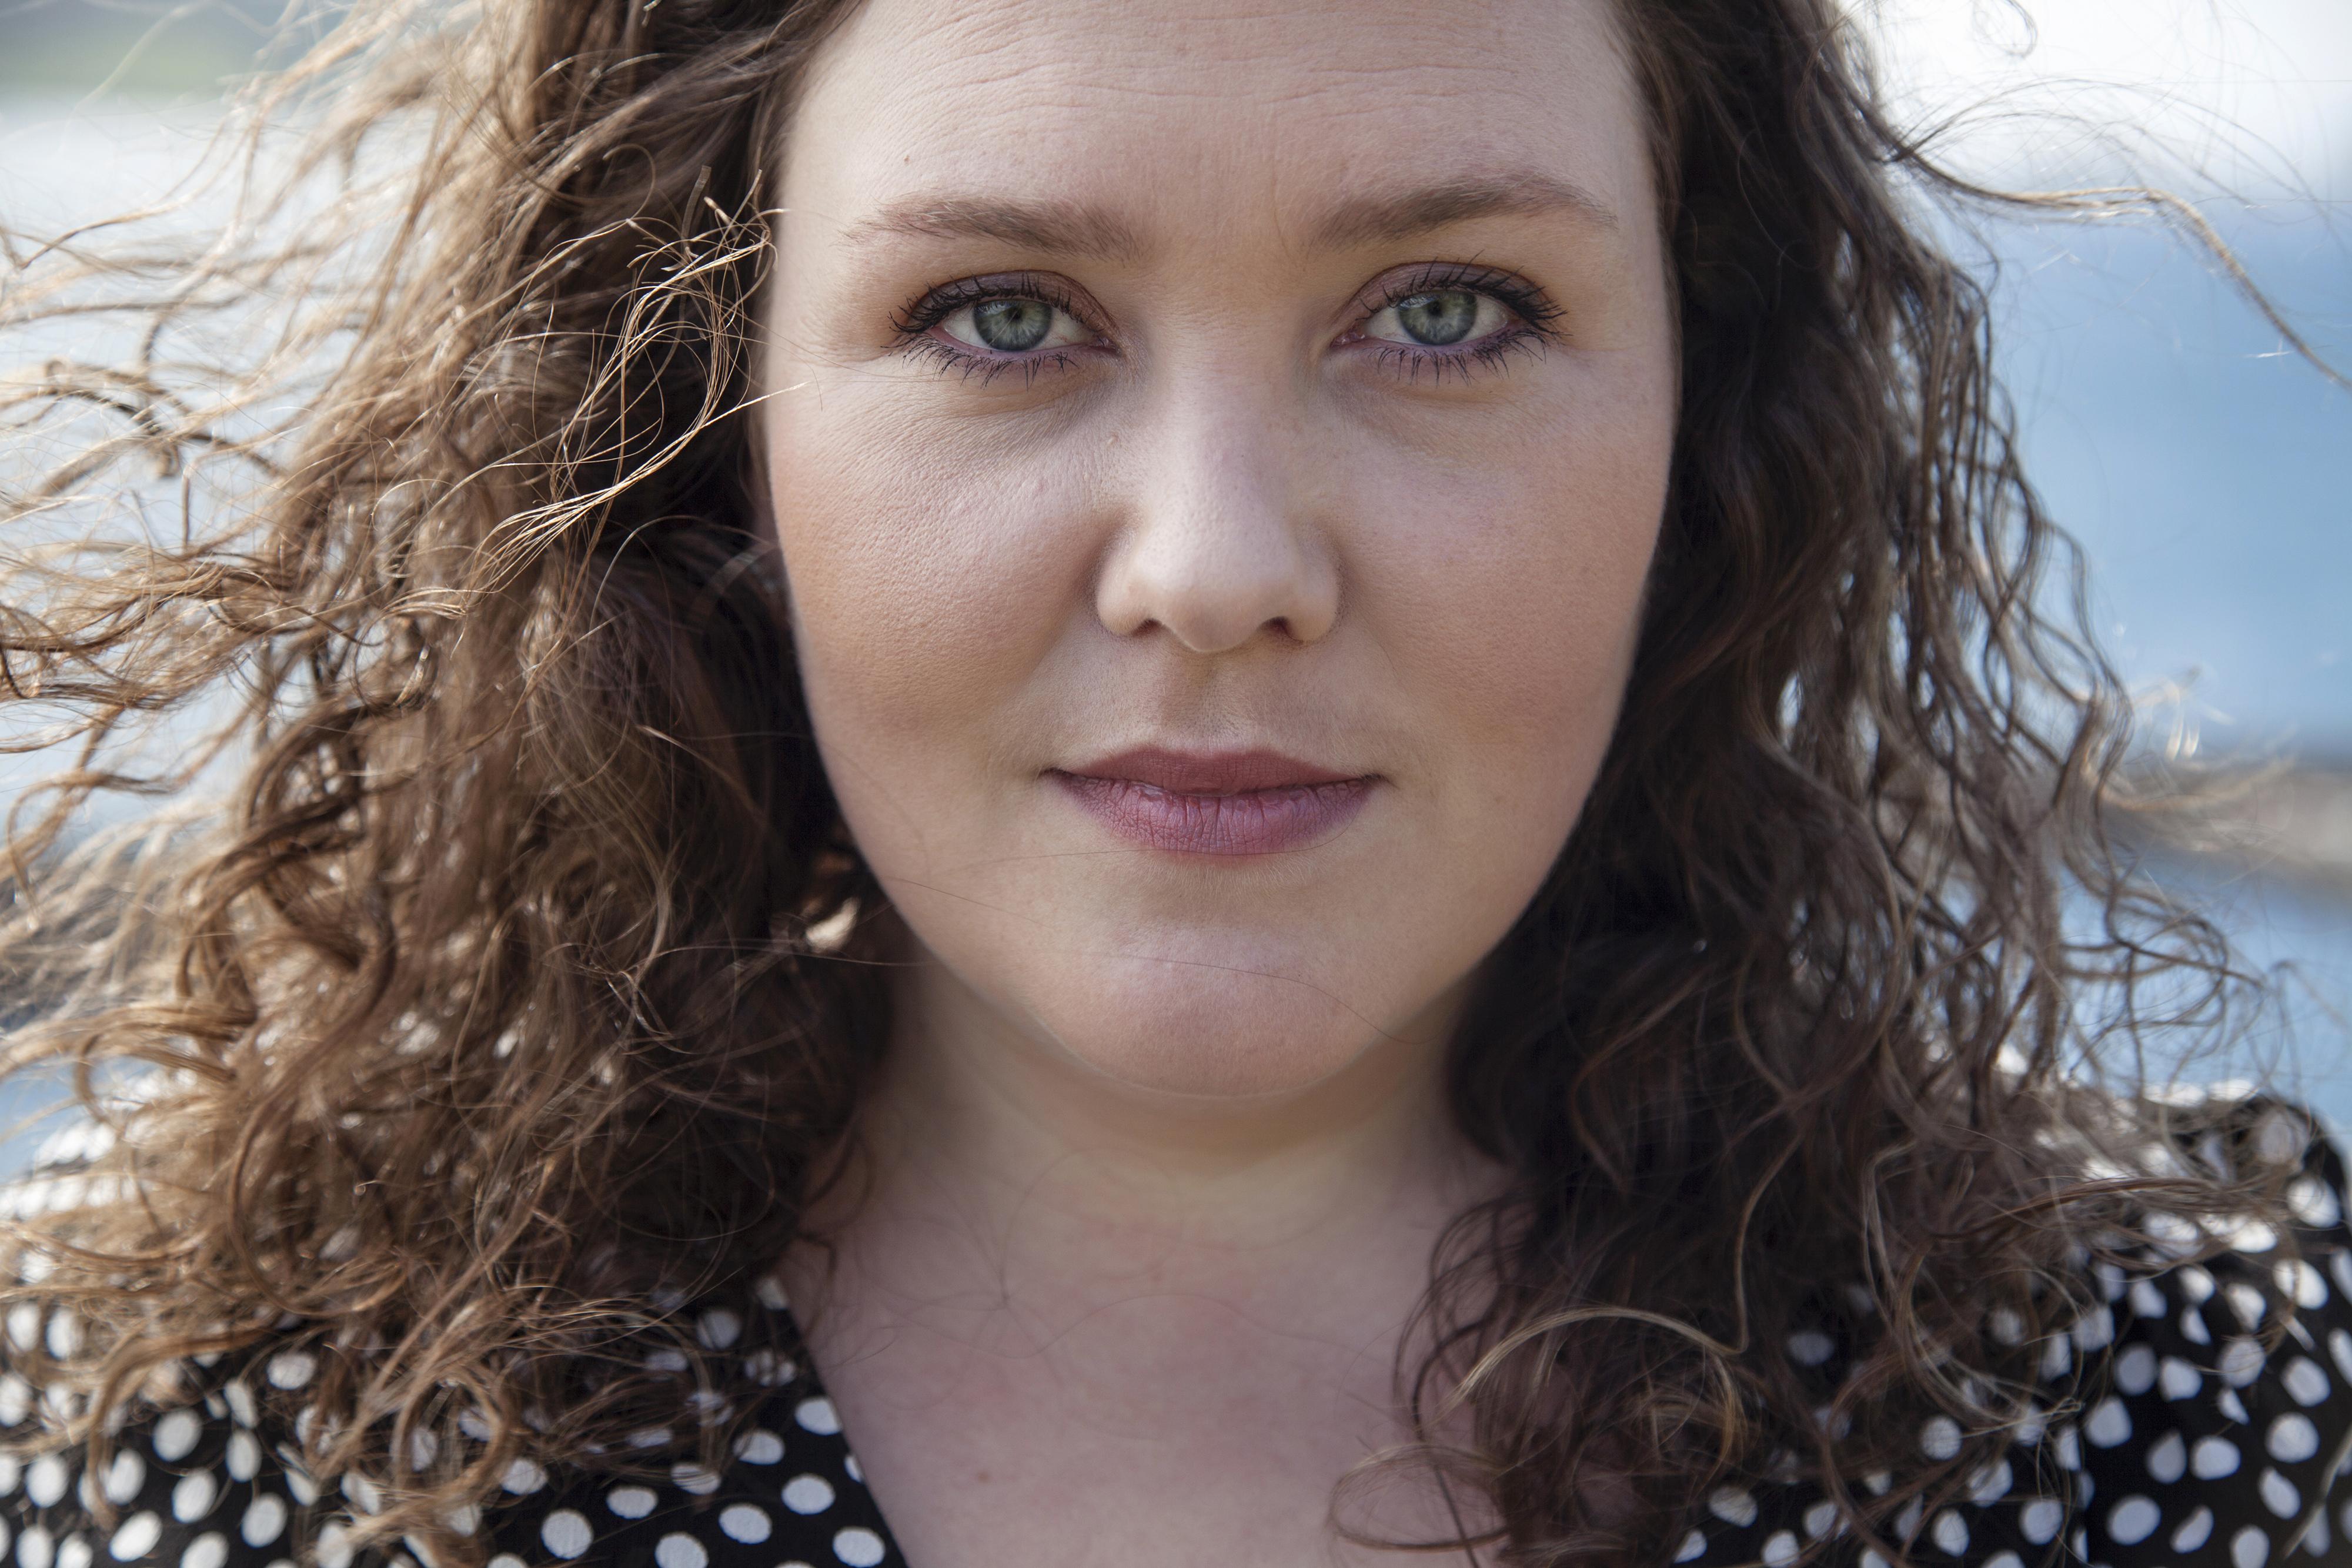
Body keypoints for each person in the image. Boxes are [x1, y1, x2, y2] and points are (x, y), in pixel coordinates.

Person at [0, 0, 2344, 1564]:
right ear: (707, 419)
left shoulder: (2179, 1404)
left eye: (1445, 309)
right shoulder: (202, 1397)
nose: (1218, 567)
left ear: (1705, 414)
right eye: (1004, 315)